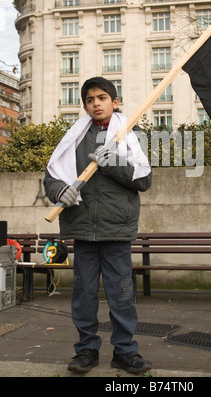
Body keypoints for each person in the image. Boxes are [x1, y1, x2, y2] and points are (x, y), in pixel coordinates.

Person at [43, 77, 152, 374]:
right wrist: (57, 191)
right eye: (89, 100)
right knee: (83, 294)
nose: (95, 104)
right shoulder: (74, 137)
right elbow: (52, 175)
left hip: (117, 229)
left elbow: (144, 180)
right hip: (82, 228)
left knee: (122, 293)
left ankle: (125, 352)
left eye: (102, 98)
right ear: (85, 105)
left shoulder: (132, 133)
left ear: (114, 102)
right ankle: (86, 350)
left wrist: (114, 162)